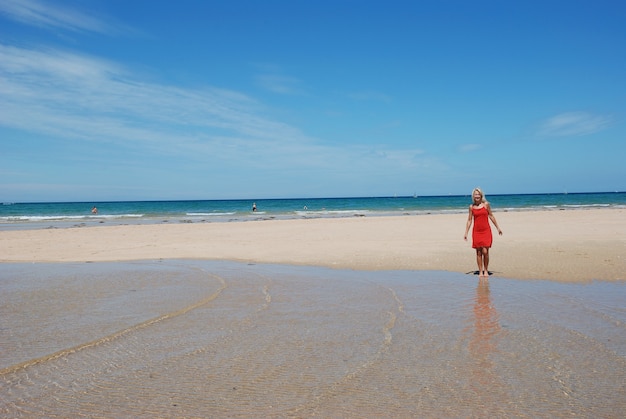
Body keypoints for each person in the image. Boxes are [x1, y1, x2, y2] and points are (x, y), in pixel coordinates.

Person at [464, 188, 502, 277]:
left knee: (485, 251)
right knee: (478, 252)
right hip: (476, 231)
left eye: (478, 194)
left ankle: (486, 270)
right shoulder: (471, 207)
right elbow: (469, 220)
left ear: (481, 195)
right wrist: (466, 232)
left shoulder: (486, 205)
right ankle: (480, 271)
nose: (477, 196)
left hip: (486, 230)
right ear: (473, 196)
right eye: (475, 194)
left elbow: (491, 216)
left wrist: (498, 228)